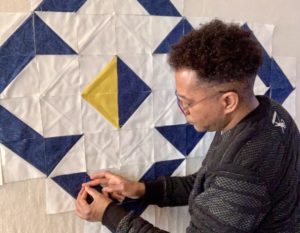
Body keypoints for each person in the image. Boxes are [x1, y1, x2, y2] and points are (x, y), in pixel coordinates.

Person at [75, 19, 300, 232]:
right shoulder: (270, 111)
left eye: (188, 103)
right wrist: (140, 190)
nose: (184, 111)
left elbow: (227, 181)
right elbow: (207, 181)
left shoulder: (243, 170)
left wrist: (107, 214)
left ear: (228, 101)